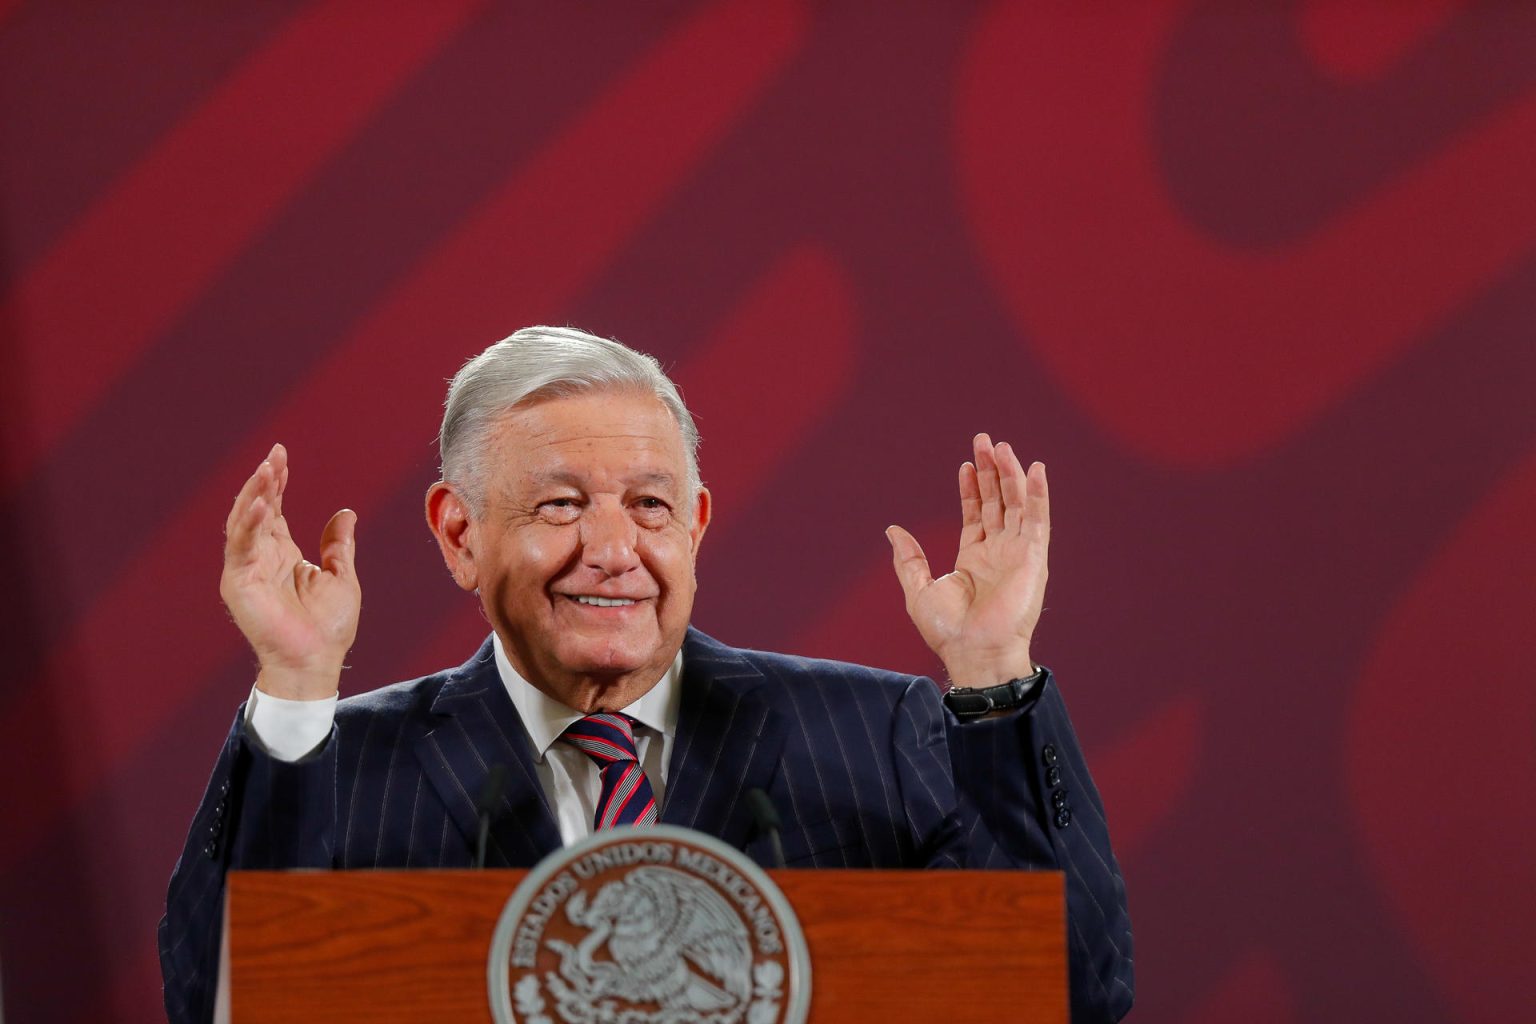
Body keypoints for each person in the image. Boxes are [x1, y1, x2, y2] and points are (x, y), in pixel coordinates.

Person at [159, 326, 1133, 1022]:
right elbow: (215, 998)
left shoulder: (871, 731)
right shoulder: (342, 761)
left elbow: (1070, 987)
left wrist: (993, 672)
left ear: (698, 525)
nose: (614, 549)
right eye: (560, 504)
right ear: (460, 534)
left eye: (652, 506)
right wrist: (293, 682)